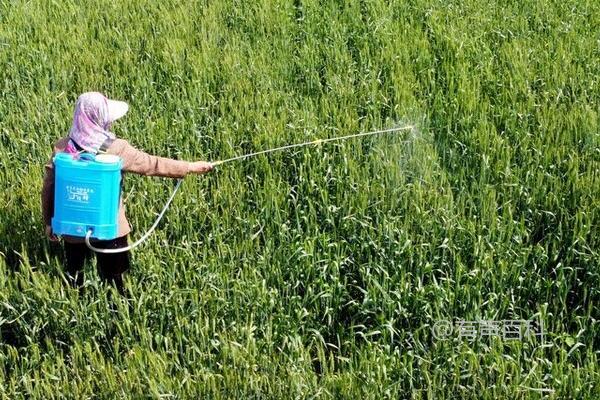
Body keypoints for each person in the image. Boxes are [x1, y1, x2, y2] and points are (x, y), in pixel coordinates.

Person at [41, 92, 213, 295]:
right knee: (116, 281)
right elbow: (152, 164)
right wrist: (189, 167)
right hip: (110, 229)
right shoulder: (116, 149)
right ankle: (119, 314)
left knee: (74, 276)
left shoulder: (62, 149)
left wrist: (49, 222)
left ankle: (77, 306)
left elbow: (49, 188)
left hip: (73, 230)